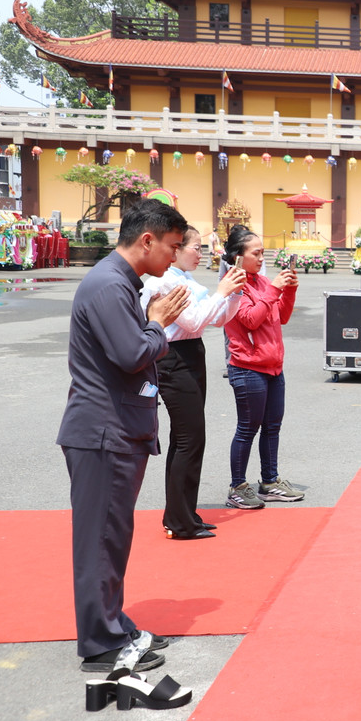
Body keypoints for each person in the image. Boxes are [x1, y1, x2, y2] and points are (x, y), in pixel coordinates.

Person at [58, 200, 190, 674]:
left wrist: (154, 320)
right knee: (100, 540)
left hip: (114, 429)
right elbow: (132, 352)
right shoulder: (110, 284)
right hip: (103, 431)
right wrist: (158, 323)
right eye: (173, 247)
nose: (175, 258)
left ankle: (112, 624)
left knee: (112, 537)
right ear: (147, 240)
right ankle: (100, 643)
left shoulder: (118, 282)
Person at [139, 226, 246, 540]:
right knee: (189, 439)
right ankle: (180, 520)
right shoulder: (165, 281)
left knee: (188, 439)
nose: (201, 254)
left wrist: (234, 293)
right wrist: (223, 292)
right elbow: (196, 320)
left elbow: (217, 319)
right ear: (176, 248)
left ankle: (183, 514)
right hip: (173, 358)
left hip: (190, 355)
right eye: (195, 247)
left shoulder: (184, 280)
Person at [221, 225, 302, 510]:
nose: (261, 257)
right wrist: (274, 289)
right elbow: (250, 320)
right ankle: (237, 486)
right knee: (247, 428)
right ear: (238, 257)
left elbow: (281, 317)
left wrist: (288, 291)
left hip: (272, 367)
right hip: (247, 367)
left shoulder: (262, 281)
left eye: (262, 252)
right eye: (256, 253)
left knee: (272, 427)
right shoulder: (234, 284)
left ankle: (269, 481)